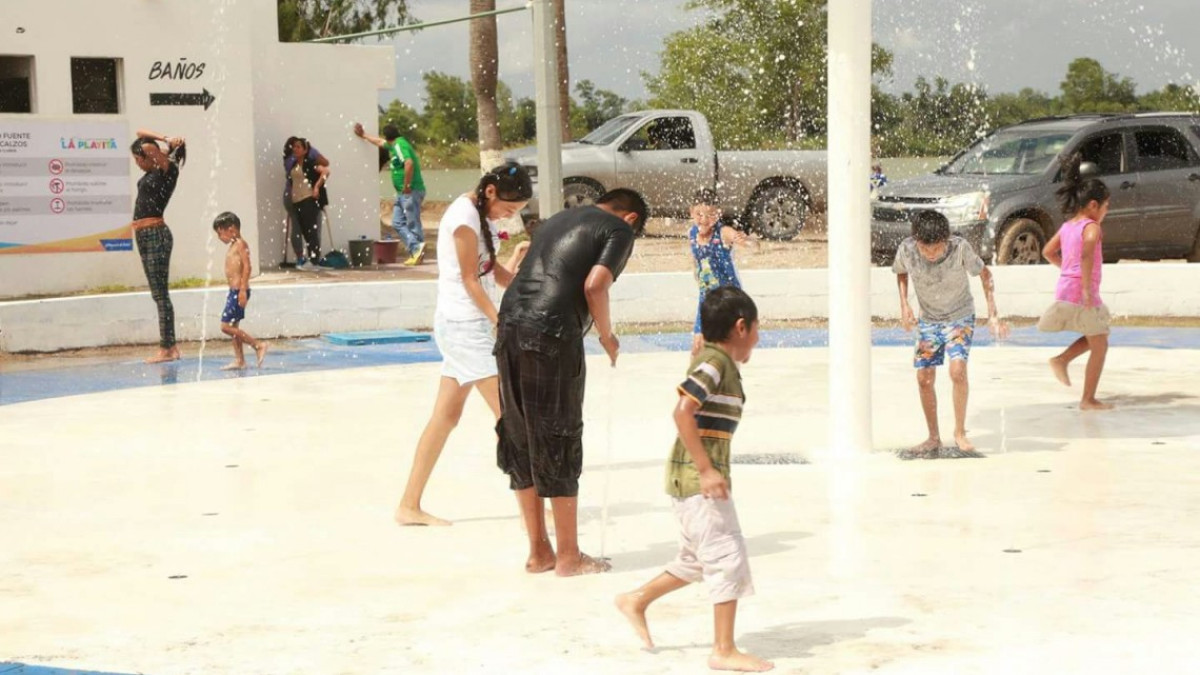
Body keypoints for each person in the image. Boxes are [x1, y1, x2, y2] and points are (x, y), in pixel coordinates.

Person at [615, 286, 772, 673]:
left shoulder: (717, 362)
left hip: (690, 479)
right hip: (696, 478)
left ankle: (637, 599)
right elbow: (682, 412)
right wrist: (706, 469)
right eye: (756, 327)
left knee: (697, 560)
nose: (758, 335)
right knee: (726, 557)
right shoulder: (715, 364)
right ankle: (723, 649)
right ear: (740, 327)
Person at [494, 188, 649, 576]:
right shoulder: (619, 229)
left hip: (509, 325)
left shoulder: (558, 218)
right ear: (631, 218)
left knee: (521, 437)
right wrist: (606, 335)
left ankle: (539, 551)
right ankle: (568, 556)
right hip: (550, 334)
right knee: (557, 435)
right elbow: (595, 284)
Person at [394, 163, 533, 527]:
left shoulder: (480, 216)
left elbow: (492, 274)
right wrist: (498, 321)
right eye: (509, 208)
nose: (509, 216)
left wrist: (520, 279)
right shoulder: (463, 218)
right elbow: (470, 280)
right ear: (490, 193)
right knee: (511, 420)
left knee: (445, 417)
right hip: (464, 327)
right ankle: (533, 512)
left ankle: (408, 505)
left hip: (468, 327)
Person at [894, 210, 1007, 458]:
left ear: (946, 239)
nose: (932, 254)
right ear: (917, 242)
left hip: (959, 316)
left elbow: (986, 275)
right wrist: (904, 305)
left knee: (957, 371)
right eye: (926, 249)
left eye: (937, 248)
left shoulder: (959, 248)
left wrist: (993, 315)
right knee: (924, 378)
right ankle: (933, 436)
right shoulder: (907, 249)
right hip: (929, 320)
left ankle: (959, 432)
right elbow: (901, 272)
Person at [1039, 153, 1113, 410]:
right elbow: (1087, 252)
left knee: (1097, 337)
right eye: (1105, 206)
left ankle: (1062, 361)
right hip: (1082, 292)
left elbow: (1047, 251)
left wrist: (1067, 272)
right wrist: (1084, 288)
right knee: (1100, 344)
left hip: (1066, 290)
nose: (1106, 211)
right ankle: (1087, 399)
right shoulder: (1092, 227)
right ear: (1093, 205)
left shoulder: (1069, 225)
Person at [129, 130, 187, 364]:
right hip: (144, 234)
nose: (137, 163)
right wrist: (166, 139)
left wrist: (163, 144)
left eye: (137, 158)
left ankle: (168, 347)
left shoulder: (167, 170)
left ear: (149, 156)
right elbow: (139, 132)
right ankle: (168, 346)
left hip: (155, 234)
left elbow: (145, 142)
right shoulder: (156, 170)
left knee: (160, 294)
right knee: (157, 293)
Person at [353, 122, 426, 266]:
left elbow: (409, 163)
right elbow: (380, 142)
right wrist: (364, 135)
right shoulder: (394, 144)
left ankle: (416, 251)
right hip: (402, 193)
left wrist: (407, 185)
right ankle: (416, 248)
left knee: (412, 221)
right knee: (397, 223)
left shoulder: (399, 145)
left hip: (410, 191)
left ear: (389, 137)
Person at [687, 188, 749, 356]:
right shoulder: (692, 234)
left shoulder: (723, 232)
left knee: (722, 346)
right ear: (691, 211)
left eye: (710, 215)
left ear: (718, 214)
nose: (704, 220)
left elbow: (747, 242)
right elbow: (696, 260)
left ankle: (727, 376)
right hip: (706, 297)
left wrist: (746, 241)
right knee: (697, 346)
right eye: (699, 214)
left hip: (728, 298)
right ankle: (696, 380)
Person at [212, 212, 268, 371]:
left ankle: (258, 345)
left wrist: (243, 290)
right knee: (233, 326)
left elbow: (247, 267)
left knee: (225, 327)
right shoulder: (233, 245)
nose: (219, 237)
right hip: (234, 291)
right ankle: (240, 360)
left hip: (239, 291)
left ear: (231, 229)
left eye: (220, 232)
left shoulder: (241, 244)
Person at [282, 137, 330, 270]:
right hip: (297, 201)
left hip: (308, 199)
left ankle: (314, 260)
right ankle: (311, 259)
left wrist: (316, 187)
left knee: (311, 230)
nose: (295, 149)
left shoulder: (309, 163)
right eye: (294, 147)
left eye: (299, 147)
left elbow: (325, 172)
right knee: (304, 231)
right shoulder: (293, 165)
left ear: (305, 150)